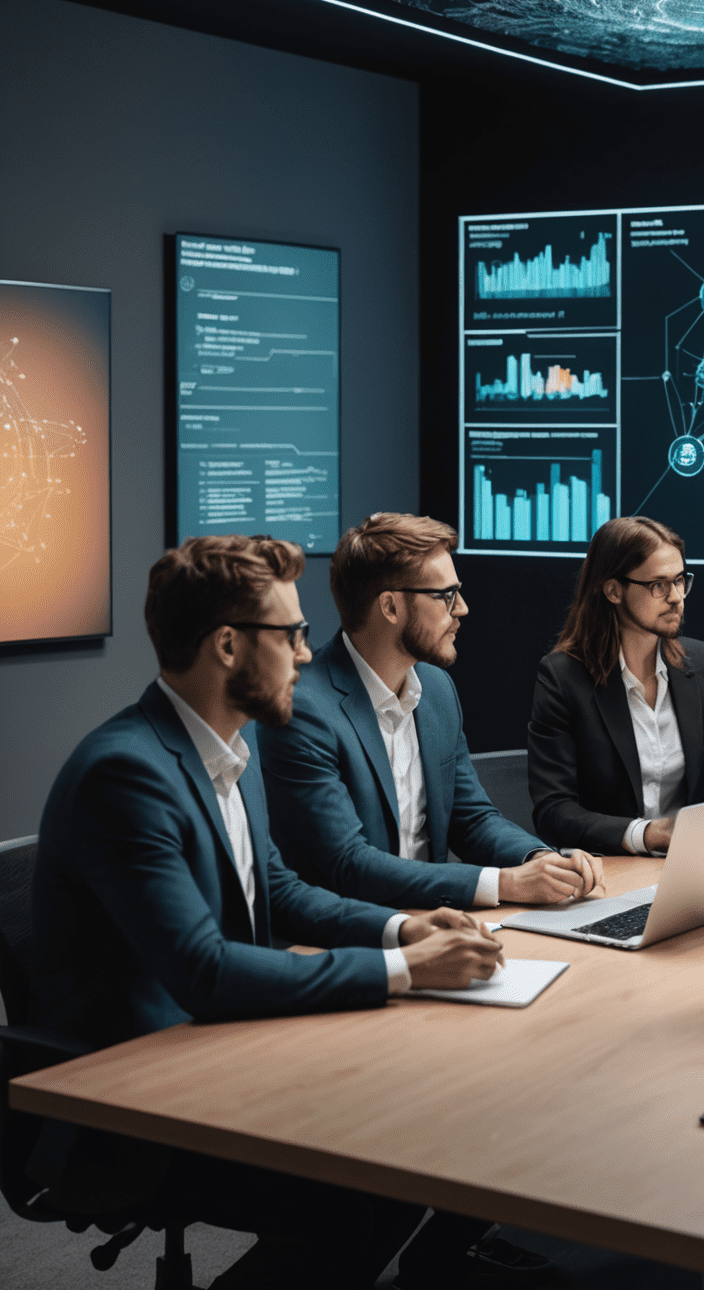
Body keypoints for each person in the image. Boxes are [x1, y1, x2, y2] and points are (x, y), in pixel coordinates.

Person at [28, 535, 525, 1290]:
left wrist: (403, 927)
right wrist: (402, 969)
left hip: (225, 1045)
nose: (304, 655)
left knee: (445, 1119)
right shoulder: (126, 773)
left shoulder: (230, 747)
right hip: (136, 1094)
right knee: (371, 1182)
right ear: (228, 646)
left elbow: (284, 893)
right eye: (289, 635)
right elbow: (203, 969)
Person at [260, 512, 602, 912]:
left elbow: (472, 819)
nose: (463, 609)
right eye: (446, 595)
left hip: (440, 922)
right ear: (390, 606)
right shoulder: (303, 711)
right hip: (354, 938)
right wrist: (504, 882)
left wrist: (539, 860)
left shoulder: (436, 689)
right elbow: (348, 864)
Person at [527, 516, 704, 854]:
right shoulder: (563, 677)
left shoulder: (700, 662)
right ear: (614, 590)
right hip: (610, 868)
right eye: (659, 585)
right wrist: (647, 835)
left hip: (690, 863)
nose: (676, 597)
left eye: (680, 581)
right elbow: (554, 811)